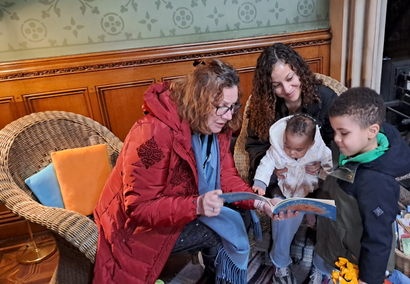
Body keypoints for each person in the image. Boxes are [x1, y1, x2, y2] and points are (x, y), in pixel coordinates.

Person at [92, 59, 292, 284]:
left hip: (180, 203)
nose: (229, 115)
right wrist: (196, 205)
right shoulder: (151, 136)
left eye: (233, 105)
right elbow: (139, 208)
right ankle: (218, 275)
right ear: (199, 103)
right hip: (135, 225)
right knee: (219, 231)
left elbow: (225, 177)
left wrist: (259, 201)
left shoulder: (217, 127)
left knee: (242, 215)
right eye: (222, 107)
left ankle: (215, 274)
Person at [310, 87, 410, 284]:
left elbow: (379, 237)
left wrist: (368, 279)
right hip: (334, 243)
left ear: (372, 131)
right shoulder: (354, 148)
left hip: (352, 265)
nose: (336, 138)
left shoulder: (376, 183)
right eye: (335, 131)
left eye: (343, 133)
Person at [245, 43, 339, 197]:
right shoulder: (263, 107)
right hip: (281, 176)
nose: (287, 89)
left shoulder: (326, 98)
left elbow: (337, 140)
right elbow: (255, 145)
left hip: (315, 175)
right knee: (273, 196)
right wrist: (272, 167)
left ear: (299, 71)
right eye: (277, 86)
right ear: (269, 88)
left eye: (290, 78)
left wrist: (321, 163)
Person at [251, 113, 333, 284]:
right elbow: (266, 163)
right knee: (284, 214)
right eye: (288, 146)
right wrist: (260, 182)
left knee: (328, 211)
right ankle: (280, 262)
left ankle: (322, 267)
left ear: (310, 145)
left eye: (298, 150)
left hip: (310, 189)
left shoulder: (319, 148)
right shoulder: (278, 147)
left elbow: (330, 163)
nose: (291, 153)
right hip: (286, 190)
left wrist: (321, 170)